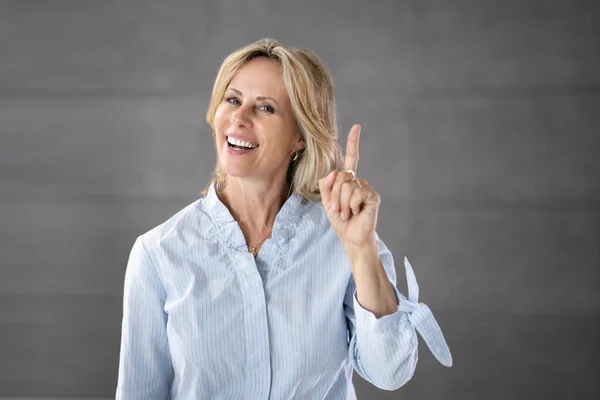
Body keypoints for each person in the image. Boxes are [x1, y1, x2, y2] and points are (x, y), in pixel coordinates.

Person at [116, 38, 452, 399]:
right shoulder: (157, 253)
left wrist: (360, 250)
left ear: (300, 137)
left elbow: (391, 371)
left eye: (265, 108)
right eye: (233, 100)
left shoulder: (343, 238)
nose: (240, 118)